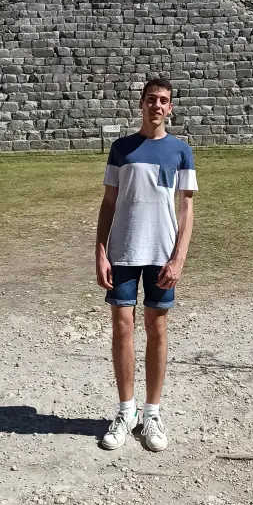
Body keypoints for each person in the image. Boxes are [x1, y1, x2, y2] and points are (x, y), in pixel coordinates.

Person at [95, 78, 197, 452]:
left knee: (157, 328)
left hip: (161, 252)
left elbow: (186, 211)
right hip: (123, 250)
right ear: (141, 104)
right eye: (151, 99)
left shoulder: (180, 151)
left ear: (170, 108)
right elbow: (109, 203)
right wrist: (100, 250)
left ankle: (152, 412)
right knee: (122, 327)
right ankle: (127, 411)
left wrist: (178, 258)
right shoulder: (121, 148)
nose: (157, 105)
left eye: (164, 100)